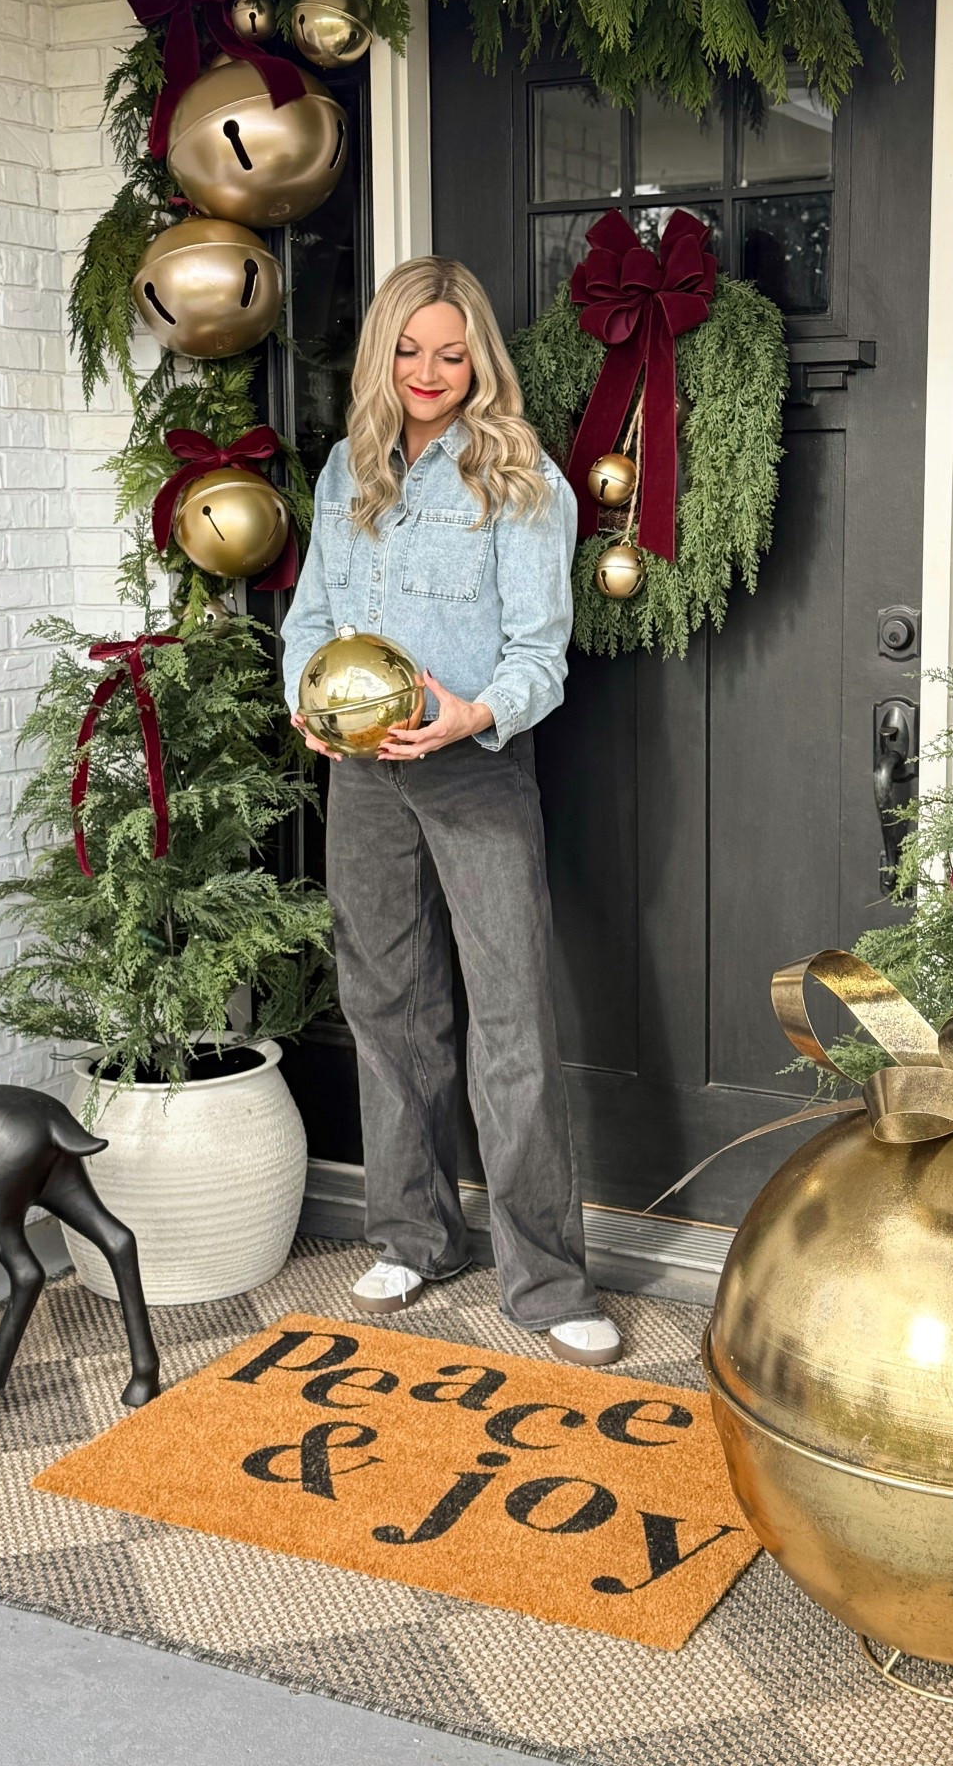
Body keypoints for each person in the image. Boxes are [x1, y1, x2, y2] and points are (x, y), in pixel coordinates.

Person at [281, 255, 622, 1367]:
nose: (429, 370)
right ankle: (414, 1234)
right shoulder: (348, 468)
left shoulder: (518, 476)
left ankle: (548, 1278)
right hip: (363, 771)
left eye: (451, 350)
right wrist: (305, 701)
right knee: (385, 1003)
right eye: (409, 349)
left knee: (510, 1014)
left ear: (479, 358)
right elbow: (314, 614)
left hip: (475, 766)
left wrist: (475, 711)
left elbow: (543, 655)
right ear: (384, 354)